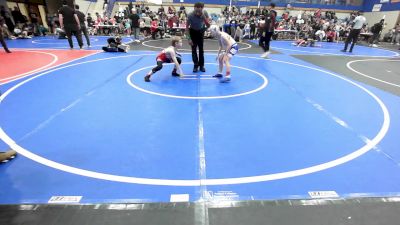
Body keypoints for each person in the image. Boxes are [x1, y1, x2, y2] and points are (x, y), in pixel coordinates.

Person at [186, 2, 210, 73]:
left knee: (201, 49)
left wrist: (203, 17)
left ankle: (201, 65)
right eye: (196, 11)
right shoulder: (190, 15)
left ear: (202, 9)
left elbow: (208, 25)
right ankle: (196, 65)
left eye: (199, 11)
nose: (197, 13)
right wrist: (189, 38)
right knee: (194, 50)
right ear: (194, 8)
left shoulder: (204, 13)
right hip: (193, 32)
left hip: (200, 32)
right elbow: (186, 28)